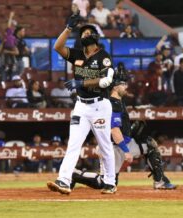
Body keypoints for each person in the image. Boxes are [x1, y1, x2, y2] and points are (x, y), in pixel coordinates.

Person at [70, 71, 177, 190]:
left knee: (149, 144)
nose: (126, 86)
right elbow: (114, 130)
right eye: (123, 84)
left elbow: (120, 128)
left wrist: (131, 130)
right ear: (115, 87)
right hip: (113, 147)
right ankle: (74, 174)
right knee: (106, 183)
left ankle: (160, 181)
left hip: (122, 143)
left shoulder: (119, 101)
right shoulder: (112, 104)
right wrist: (126, 152)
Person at [47, 13, 116, 195]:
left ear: (94, 37)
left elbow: (105, 81)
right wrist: (68, 28)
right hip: (81, 106)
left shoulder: (103, 56)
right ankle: (64, 180)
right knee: (74, 144)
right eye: (82, 33)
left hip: (99, 106)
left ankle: (110, 182)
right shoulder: (77, 54)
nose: (84, 35)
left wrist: (81, 83)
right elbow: (57, 47)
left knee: (104, 145)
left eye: (87, 33)